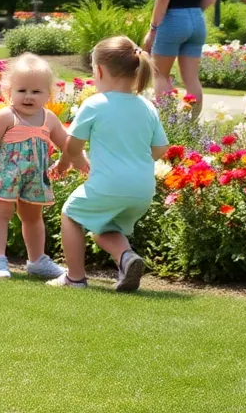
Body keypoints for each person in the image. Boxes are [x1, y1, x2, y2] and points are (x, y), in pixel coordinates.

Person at [49, 36, 168, 291]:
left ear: (99, 70)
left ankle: (75, 278)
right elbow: (160, 149)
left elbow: (73, 145)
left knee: (71, 215)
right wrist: (135, 160)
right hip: (142, 190)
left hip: (108, 185)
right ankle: (127, 257)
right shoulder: (148, 107)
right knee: (104, 226)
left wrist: (64, 164)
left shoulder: (95, 104)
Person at [0, 54, 70, 281]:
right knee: (0, 215)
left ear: (50, 94)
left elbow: (66, 144)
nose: (28, 97)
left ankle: (37, 260)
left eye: (36, 92)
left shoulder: (49, 119)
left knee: (33, 218)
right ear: (9, 91)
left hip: (34, 177)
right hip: (4, 174)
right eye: (22, 90)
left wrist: (72, 159)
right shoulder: (7, 116)